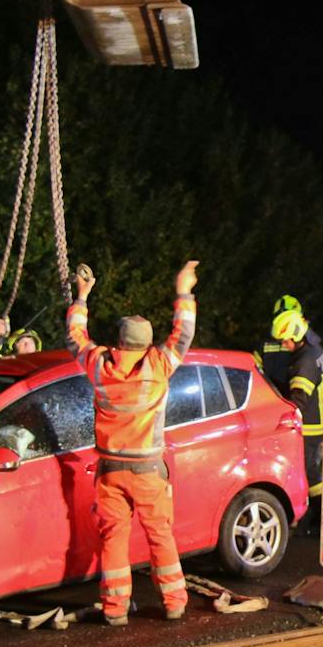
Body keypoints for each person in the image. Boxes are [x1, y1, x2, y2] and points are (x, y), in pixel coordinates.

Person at [66, 260, 199, 626]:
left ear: (119, 341)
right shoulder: (158, 366)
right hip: (148, 471)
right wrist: (183, 290)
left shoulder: (99, 365)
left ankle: (114, 610)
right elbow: (183, 334)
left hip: (110, 471)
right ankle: (173, 603)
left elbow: (74, 337)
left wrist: (81, 297)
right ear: (147, 343)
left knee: (113, 539)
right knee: (160, 536)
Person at [272, 308, 323, 518]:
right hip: (315, 422)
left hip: (310, 426)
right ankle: (318, 515)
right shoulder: (315, 351)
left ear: (296, 335)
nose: (283, 345)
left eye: (285, 340)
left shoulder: (304, 360)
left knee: (311, 474)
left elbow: (299, 399)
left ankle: (319, 515)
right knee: (313, 472)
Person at [254, 294, 302, 392]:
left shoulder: (303, 343)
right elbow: (255, 367)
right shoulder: (265, 340)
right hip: (270, 398)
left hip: (294, 398)